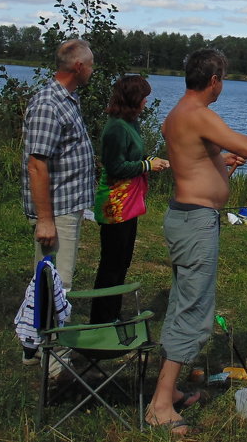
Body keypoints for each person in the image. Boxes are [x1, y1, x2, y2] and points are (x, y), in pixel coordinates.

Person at [145, 48, 247, 434]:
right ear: (213, 81)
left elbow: (188, 159)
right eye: (221, 79)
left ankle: (169, 390)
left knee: (179, 302)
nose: (221, 85)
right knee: (193, 309)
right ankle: (159, 406)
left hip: (182, 216)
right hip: (195, 224)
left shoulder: (177, 115)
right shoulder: (201, 114)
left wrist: (217, 161)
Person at [20, 38, 95, 364]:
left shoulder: (68, 99)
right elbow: (37, 164)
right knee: (57, 285)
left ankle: (33, 349)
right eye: (91, 65)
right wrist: (46, 219)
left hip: (67, 207)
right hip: (57, 211)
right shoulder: (49, 104)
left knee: (48, 279)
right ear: (78, 66)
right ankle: (55, 364)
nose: (92, 71)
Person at [90, 74, 170, 324]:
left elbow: (135, 157)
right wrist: (147, 164)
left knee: (123, 260)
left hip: (129, 204)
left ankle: (112, 313)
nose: (147, 101)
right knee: (111, 264)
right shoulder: (115, 127)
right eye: (144, 97)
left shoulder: (131, 123)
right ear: (134, 99)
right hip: (115, 204)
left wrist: (151, 162)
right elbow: (114, 167)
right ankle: (101, 319)